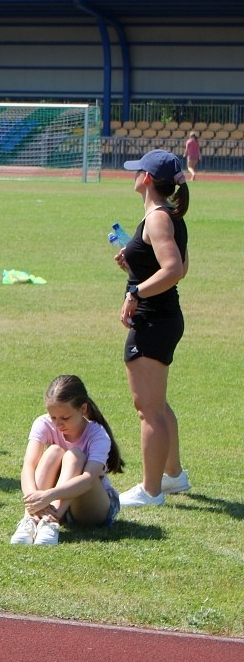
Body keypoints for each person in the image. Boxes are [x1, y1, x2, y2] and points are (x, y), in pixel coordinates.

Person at [115, 149, 191, 506]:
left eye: (138, 171)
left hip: (153, 318)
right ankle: (173, 476)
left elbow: (173, 269)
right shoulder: (170, 215)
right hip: (164, 316)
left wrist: (136, 291)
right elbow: (174, 267)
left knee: (148, 409)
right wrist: (134, 265)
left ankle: (151, 490)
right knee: (157, 404)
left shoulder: (158, 218)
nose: (134, 176)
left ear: (147, 179)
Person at [11, 375, 124, 546]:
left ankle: (50, 523)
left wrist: (48, 495)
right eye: (53, 417)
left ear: (83, 409)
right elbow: (28, 465)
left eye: (65, 418)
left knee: (74, 455)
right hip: (58, 503)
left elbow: (88, 480)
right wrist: (33, 501)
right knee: (54, 451)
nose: (58, 424)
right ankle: (31, 520)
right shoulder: (43, 424)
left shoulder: (97, 434)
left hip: (93, 507)